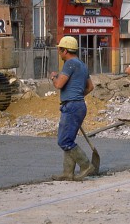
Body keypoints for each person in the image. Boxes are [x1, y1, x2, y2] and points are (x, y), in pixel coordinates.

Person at [50, 36, 96, 181]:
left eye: (60, 50)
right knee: (68, 139)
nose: (59, 52)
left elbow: (59, 85)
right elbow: (90, 87)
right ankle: (68, 172)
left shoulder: (69, 64)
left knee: (64, 141)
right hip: (78, 105)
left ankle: (86, 165)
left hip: (71, 106)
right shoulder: (82, 65)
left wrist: (53, 77)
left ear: (65, 50)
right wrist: (77, 96)